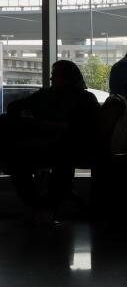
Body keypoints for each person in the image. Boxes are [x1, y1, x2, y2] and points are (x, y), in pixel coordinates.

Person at [0, 60, 100, 225]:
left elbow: (14, 107)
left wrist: (37, 124)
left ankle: (38, 206)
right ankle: (47, 208)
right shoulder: (84, 98)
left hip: (65, 146)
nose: (52, 79)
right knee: (54, 162)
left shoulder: (48, 96)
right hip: (62, 146)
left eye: (55, 76)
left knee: (23, 160)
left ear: (66, 78)